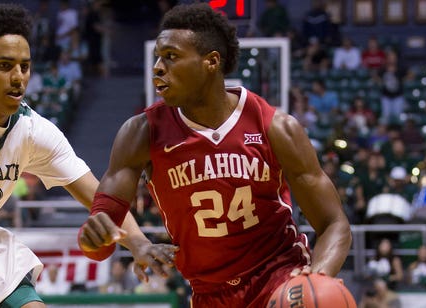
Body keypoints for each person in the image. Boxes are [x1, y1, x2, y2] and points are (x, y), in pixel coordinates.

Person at [78, 3, 352, 307]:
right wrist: (95, 238)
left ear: (211, 62)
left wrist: (315, 279)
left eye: (171, 57)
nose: (157, 67)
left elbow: (333, 223)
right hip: (209, 293)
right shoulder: (140, 133)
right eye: (157, 57)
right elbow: (98, 246)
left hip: (279, 279)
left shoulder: (274, 127)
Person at [0, 4, 171, 307]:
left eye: (24, 66)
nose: (18, 77)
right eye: (5, 66)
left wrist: (139, 243)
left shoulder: (34, 132)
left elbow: (100, 196)